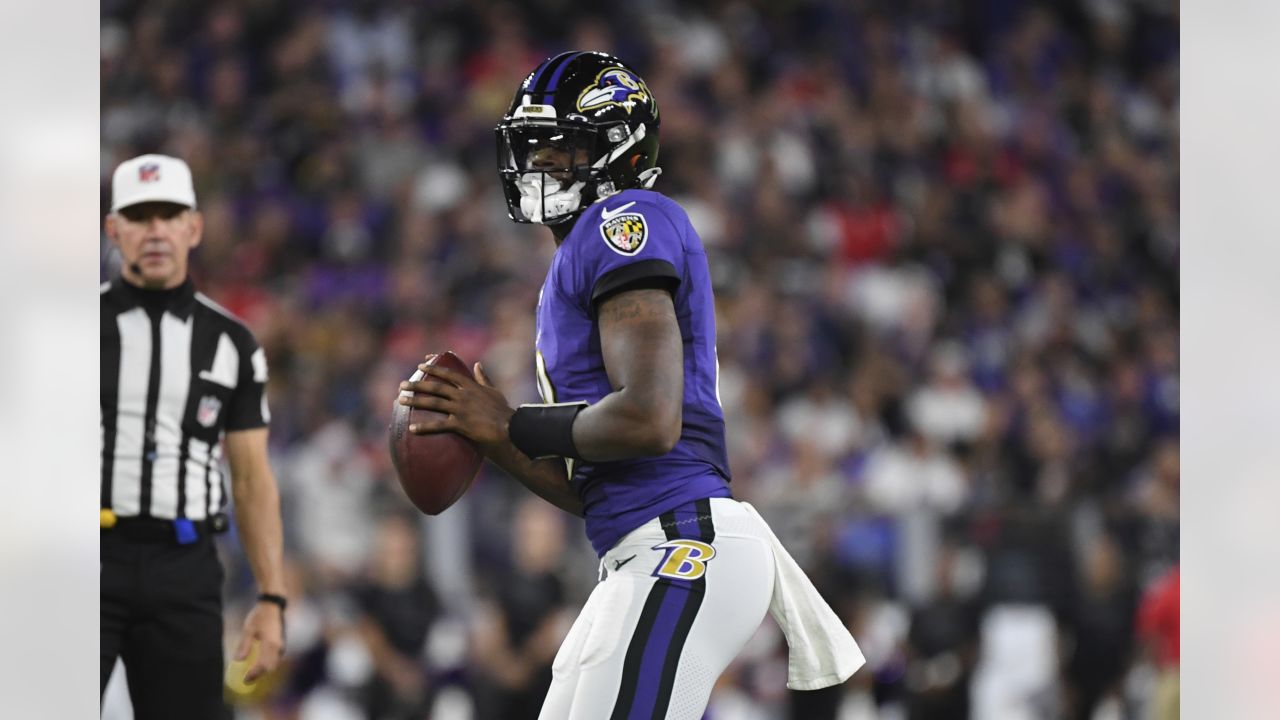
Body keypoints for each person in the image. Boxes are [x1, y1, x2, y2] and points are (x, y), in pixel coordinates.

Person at [399, 51, 864, 719]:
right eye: (535, 149)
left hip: (681, 544)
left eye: (562, 150)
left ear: (618, 150)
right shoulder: (575, 261)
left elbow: (649, 419)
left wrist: (510, 424)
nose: (542, 166)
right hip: (643, 546)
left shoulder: (623, 222)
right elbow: (596, 487)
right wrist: (492, 436)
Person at [100, 153, 287, 719]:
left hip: (185, 569)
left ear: (194, 227)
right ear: (115, 229)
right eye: (140, 216)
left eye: (168, 214)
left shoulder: (232, 343)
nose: (155, 230)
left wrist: (272, 597)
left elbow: (252, 480)